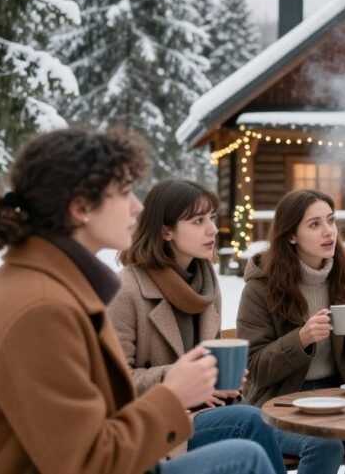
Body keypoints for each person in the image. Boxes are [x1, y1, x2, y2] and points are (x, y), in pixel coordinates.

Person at [0, 128, 274, 474]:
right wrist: (172, 394)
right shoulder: (42, 310)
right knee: (246, 457)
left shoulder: (41, 284)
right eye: (124, 192)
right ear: (81, 207)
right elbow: (88, 463)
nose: (137, 207)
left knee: (246, 452)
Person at [109, 179, 287, 474]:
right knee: (252, 422)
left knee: (257, 422)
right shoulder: (125, 290)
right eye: (198, 221)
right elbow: (116, 383)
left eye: (212, 219)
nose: (213, 229)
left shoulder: (206, 284)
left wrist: (224, 382)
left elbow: (209, 353)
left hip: (205, 414)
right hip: (156, 425)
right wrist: (181, 381)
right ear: (165, 231)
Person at [238, 188, 345, 474]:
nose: (328, 231)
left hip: (337, 396)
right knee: (324, 445)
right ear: (291, 235)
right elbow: (253, 369)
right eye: (314, 224)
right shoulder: (260, 287)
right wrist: (301, 339)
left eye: (330, 221)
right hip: (277, 402)